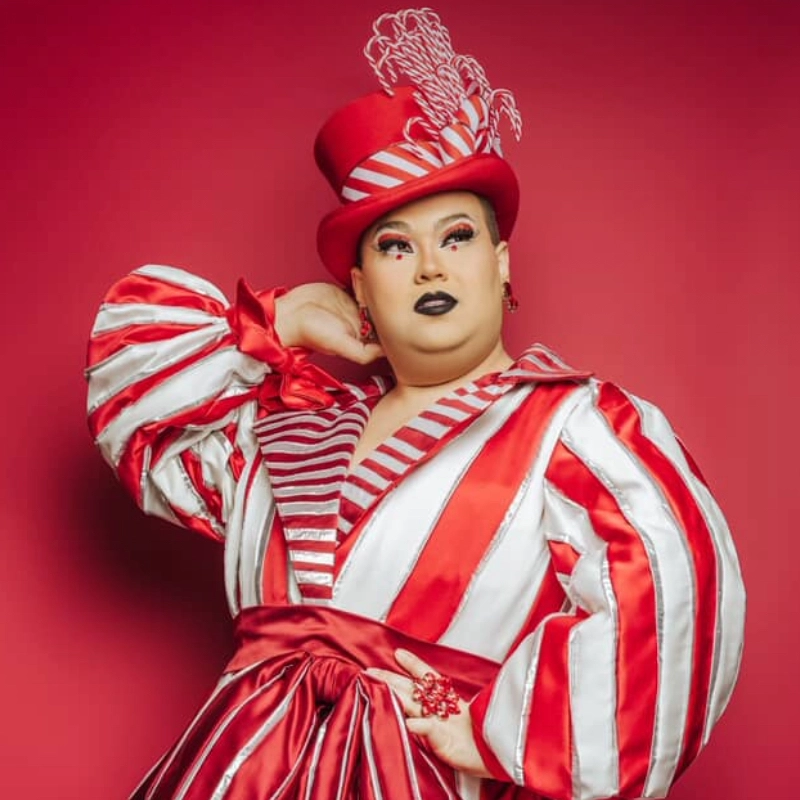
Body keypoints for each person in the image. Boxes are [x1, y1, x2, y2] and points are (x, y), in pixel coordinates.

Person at [86, 8, 746, 800]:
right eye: (395, 247)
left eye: (457, 237)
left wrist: (495, 734)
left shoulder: (573, 425)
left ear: (501, 265)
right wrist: (283, 320)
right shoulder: (289, 423)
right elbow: (137, 408)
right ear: (360, 287)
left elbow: (676, 594)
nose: (430, 267)